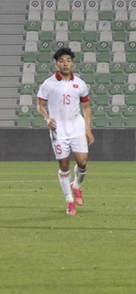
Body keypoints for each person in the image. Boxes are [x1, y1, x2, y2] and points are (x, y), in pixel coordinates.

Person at [36, 47, 94, 215]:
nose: (65, 63)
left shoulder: (80, 84)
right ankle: (69, 201)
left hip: (76, 127)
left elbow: (87, 107)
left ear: (72, 64)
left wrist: (88, 129)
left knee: (82, 163)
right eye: (61, 61)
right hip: (58, 130)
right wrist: (47, 118)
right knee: (64, 164)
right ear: (57, 64)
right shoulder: (49, 84)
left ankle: (75, 186)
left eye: (68, 60)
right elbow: (40, 105)